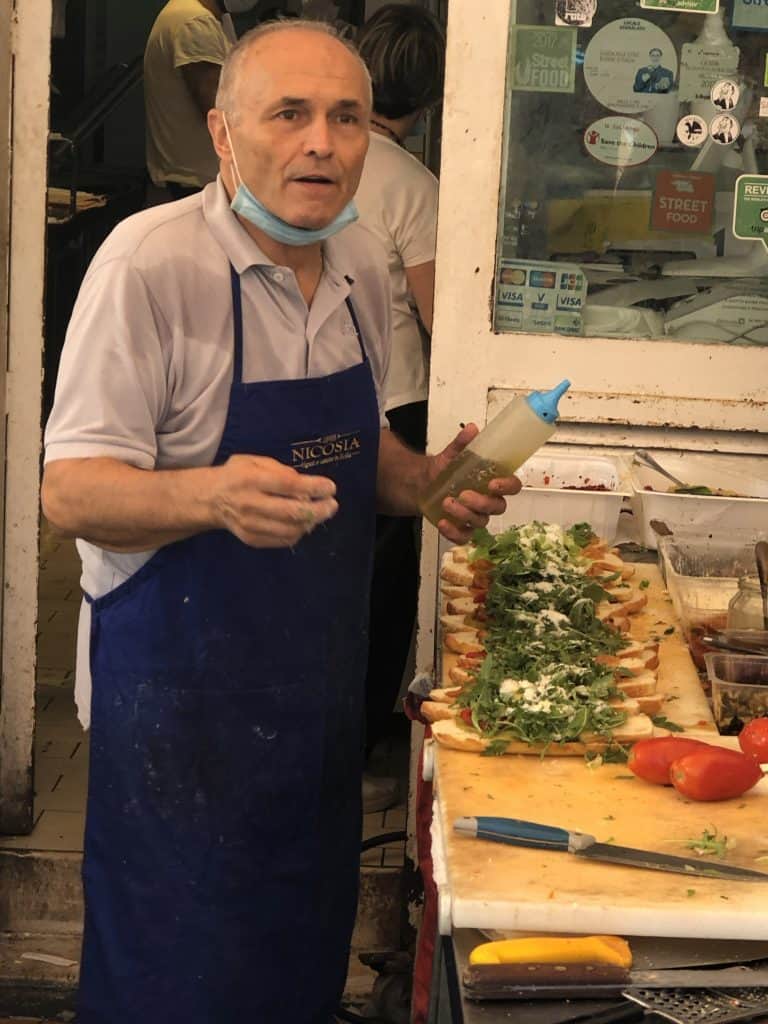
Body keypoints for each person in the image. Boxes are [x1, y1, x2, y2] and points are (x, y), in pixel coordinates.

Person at [42, 20, 519, 1024]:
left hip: (311, 721)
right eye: (289, 114)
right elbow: (71, 489)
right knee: (178, 982)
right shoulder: (148, 266)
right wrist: (210, 494)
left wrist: (430, 482)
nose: (322, 142)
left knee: (297, 961)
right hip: (178, 720)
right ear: (224, 134)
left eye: (346, 118)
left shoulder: (355, 262)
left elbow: (357, 453)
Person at [353, 2, 444, 811]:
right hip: (400, 405)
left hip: (327, 400)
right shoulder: (413, 185)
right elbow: (439, 313)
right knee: (383, 585)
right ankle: (364, 753)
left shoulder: (330, 162)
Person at [144, 0, 253, 197]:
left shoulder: (189, 15)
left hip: (190, 179)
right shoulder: (194, 22)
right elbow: (218, 107)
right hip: (193, 184)